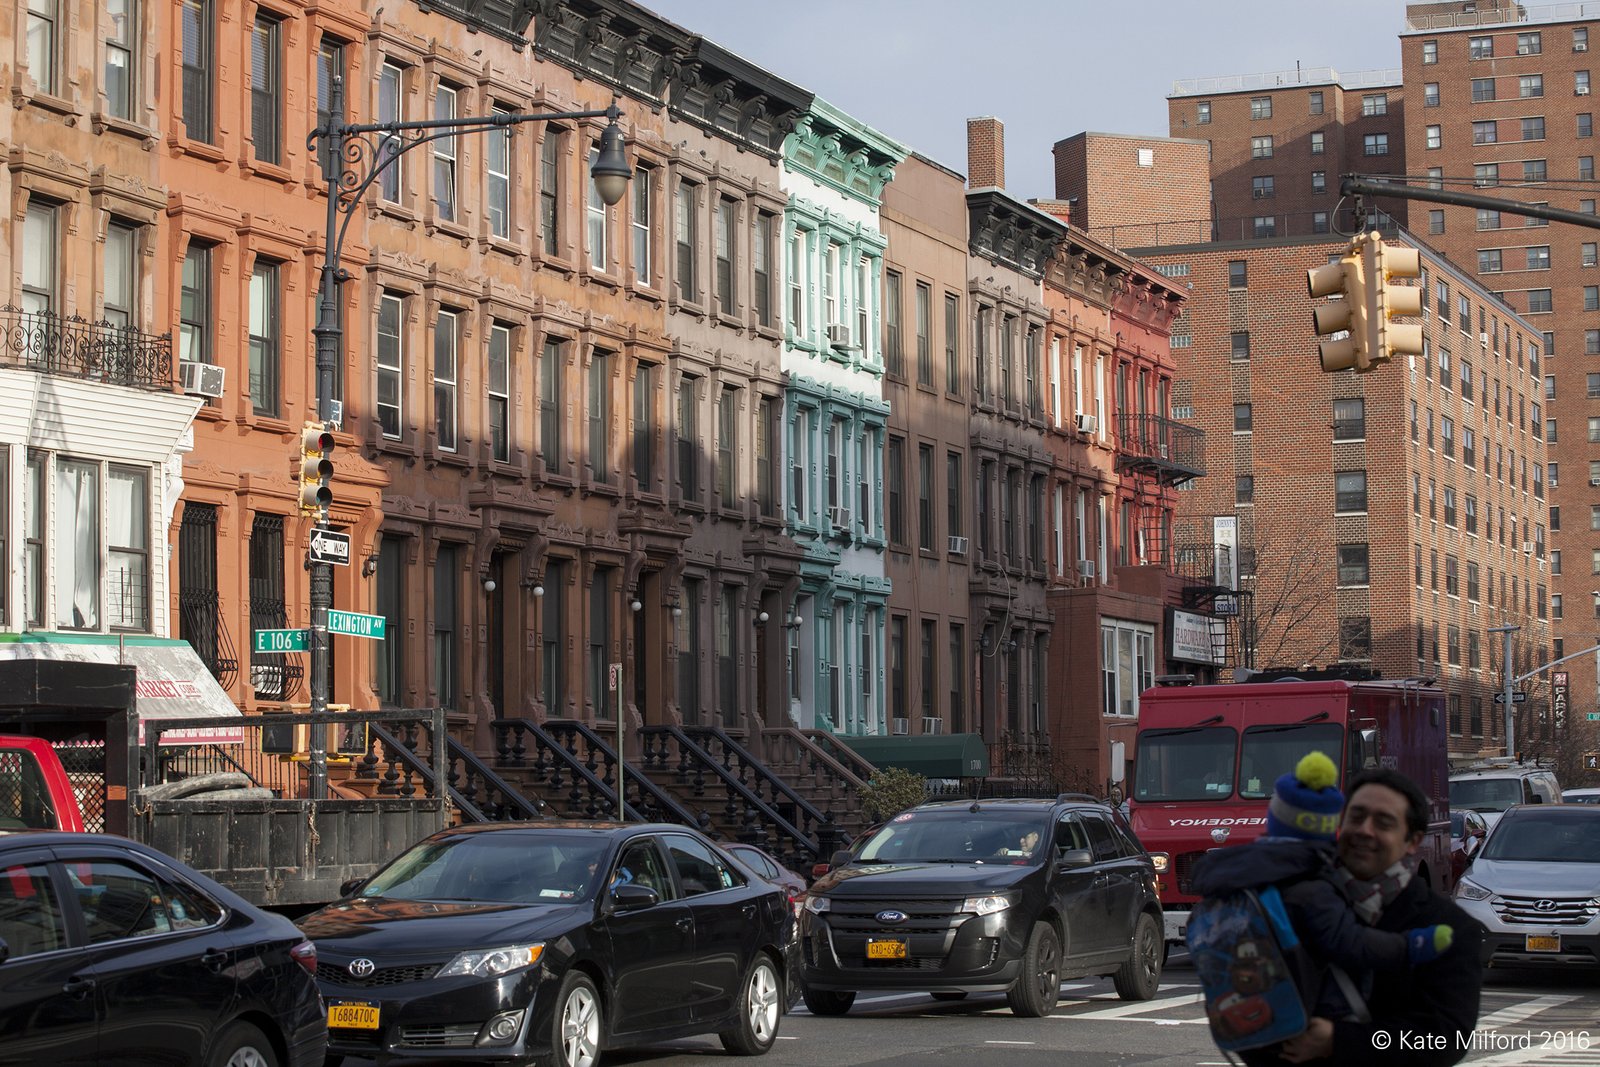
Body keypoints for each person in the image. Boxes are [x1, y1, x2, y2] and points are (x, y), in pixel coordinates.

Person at [1190, 752, 1455, 1051]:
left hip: (1256, 1023)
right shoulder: (1312, 891)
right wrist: (1414, 945)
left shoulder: (1242, 873)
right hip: (1315, 1021)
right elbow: (1353, 943)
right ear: (1329, 829)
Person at [1277, 767, 1483, 1067]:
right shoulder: (1295, 900)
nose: (1364, 830)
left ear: (1412, 841)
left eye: (1383, 822)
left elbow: (1445, 1039)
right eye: (1356, 817)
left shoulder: (1450, 928)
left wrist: (1338, 1040)